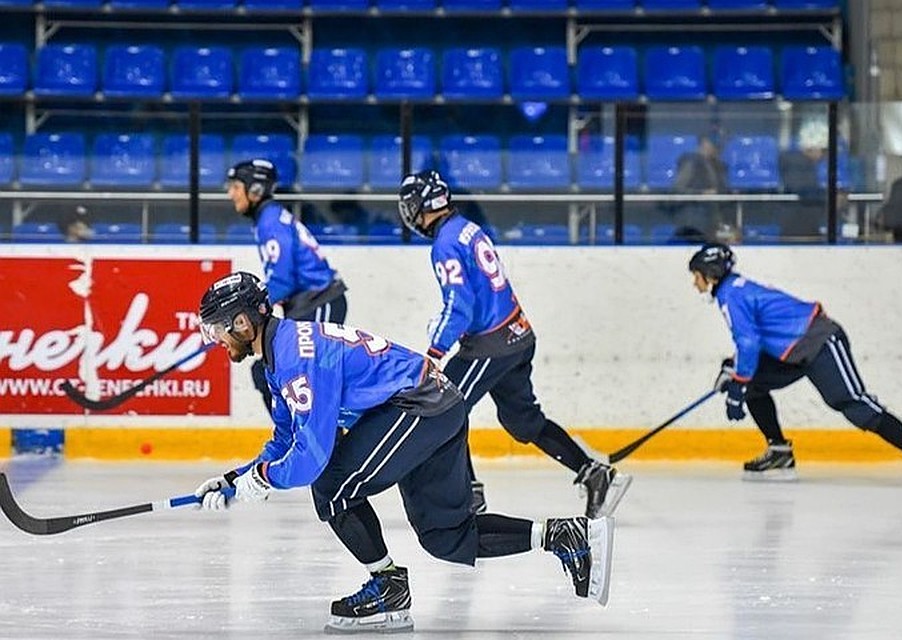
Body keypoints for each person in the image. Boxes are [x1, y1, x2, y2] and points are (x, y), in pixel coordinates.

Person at [192, 271, 615, 633]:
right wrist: (235, 479)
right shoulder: (279, 355)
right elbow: (285, 440)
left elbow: (311, 458)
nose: (215, 340)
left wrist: (260, 481)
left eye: (217, 329)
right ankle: (565, 536)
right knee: (446, 538)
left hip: (420, 407)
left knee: (332, 486)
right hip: (435, 405)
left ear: (243, 323)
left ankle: (388, 586)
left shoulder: (294, 357)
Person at [397, 169, 632, 517]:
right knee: (524, 422)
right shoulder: (466, 227)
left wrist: (435, 351)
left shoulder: (445, 243)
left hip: (490, 346)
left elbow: (459, 305)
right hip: (518, 335)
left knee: (444, 407)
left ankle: (468, 496)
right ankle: (593, 472)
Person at [688, 242, 902, 489]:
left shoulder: (730, 295)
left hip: (819, 343)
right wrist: (734, 370)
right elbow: (757, 338)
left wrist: (738, 385)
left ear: (710, 274)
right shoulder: (734, 288)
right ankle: (779, 451)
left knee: (855, 405)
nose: (695, 283)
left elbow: (748, 342)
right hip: (793, 351)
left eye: (696, 275)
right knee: (754, 384)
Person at [227, 159, 348, 414]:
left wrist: (246, 311)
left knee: (297, 374)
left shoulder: (270, 221)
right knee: (268, 372)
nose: (231, 194)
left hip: (318, 302)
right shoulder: (268, 218)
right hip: (310, 304)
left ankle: (318, 440)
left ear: (255, 189)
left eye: (236, 187)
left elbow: (283, 281)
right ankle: (303, 438)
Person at [672, 134, 729, 240]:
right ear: (704, 143)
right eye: (714, 144)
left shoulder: (718, 166)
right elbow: (678, 190)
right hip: (693, 222)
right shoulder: (691, 163)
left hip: (710, 220)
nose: (717, 148)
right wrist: (701, 194)